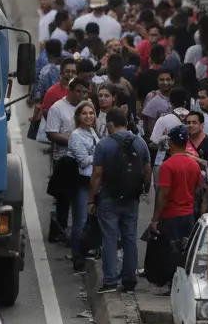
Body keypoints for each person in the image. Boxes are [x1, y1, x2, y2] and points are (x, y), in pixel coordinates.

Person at [88, 107, 152, 293]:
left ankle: (110, 281)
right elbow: (147, 170)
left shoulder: (104, 144)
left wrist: (91, 200)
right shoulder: (140, 142)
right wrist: (144, 190)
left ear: (110, 124)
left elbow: (97, 174)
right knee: (129, 238)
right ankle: (129, 280)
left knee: (109, 238)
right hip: (132, 197)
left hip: (109, 197)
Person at [148, 124, 201, 294]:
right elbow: (198, 189)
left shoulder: (168, 165)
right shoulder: (193, 164)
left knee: (170, 251)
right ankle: (180, 284)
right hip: (188, 214)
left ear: (170, 142)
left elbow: (163, 194)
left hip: (171, 215)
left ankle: (171, 285)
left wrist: (155, 219)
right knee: (184, 250)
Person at [45, 76, 89, 243]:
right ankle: (59, 230)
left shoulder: (86, 108)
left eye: (84, 92)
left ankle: (78, 233)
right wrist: (72, 141)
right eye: (78, 91)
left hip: (82, 160)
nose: (81, 95)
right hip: (63, 160)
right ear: (70, 90)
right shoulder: (58, 108)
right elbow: (51, 133)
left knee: (80, 198)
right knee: (63, 199)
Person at [67, 99, 100, 273]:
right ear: (78, 116)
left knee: (90, 220)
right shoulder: (76, 135)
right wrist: (99, 154)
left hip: (94, 180)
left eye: (91, 113)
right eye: (85, 113)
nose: (89, 116)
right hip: (81, 182)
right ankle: (77, 259)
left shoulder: (93, 132)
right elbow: (83, 161)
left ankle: (87, 252)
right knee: (80, 221)